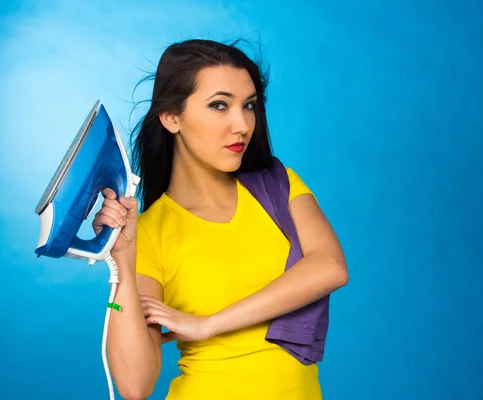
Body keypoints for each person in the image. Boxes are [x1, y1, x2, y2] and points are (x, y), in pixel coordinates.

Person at [93, 39, 348, 400]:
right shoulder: (148, 233)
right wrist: (121, 263)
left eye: (248, 106)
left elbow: (331, 267)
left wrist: (208, 324)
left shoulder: (280, 187)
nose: (242, 125)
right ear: (171, 117)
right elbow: (136, 386)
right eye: (219, 105)